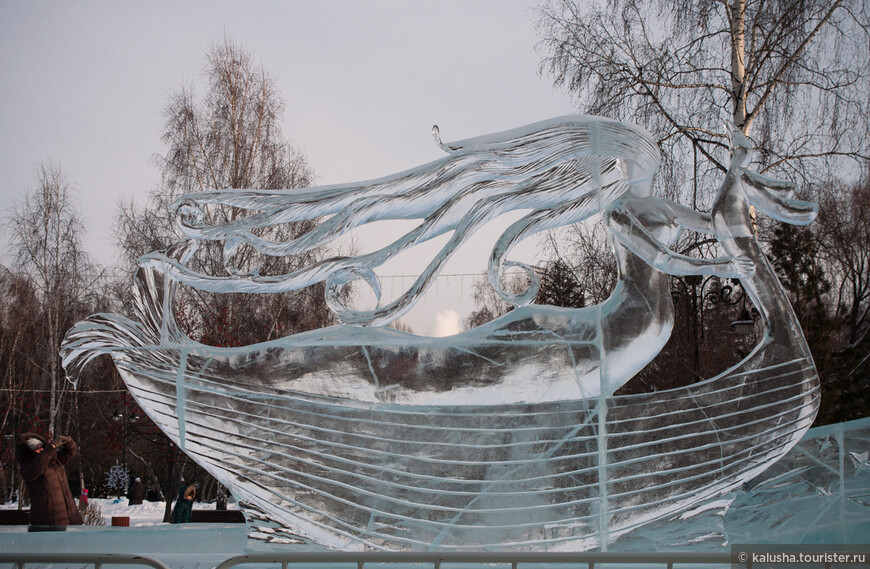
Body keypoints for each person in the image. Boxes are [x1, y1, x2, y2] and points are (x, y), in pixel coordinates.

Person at [15, 433, 84, 530]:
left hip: (69, 514)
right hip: (48, 519)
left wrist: (69, 442)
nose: (41, 450)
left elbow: (70, 452)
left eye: (42, 447)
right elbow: (38, 464)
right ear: (29, 452)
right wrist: (51, 447)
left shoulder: (53, 460)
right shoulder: (28, 466)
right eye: (37, 448)